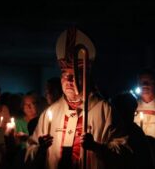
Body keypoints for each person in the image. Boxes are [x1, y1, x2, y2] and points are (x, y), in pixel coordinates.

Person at [25, 27, 130, 169]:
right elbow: (30, 151)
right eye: (64, 74)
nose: (68, 79)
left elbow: (124, 153)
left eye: (74, 74)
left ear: (87, 77)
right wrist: (41, 149)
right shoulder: (50, 113)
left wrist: (96, 147)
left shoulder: (105, 111)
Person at [110, 92, 155, 169]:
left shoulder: (136, 131)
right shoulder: (113, 129)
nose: (132, 116)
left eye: (134, 112)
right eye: (130, 112)